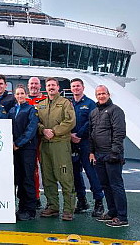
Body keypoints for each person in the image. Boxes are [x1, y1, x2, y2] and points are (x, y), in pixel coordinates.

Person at [37, 77, 76, 221]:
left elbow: (70, 121)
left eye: (53, 85)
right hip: (45, 145)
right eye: (48, 85)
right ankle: (52, 206)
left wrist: (54, 131)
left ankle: (68, 209)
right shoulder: (40, 105)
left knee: (65, 176)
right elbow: (36, 122)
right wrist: (43, 130)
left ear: (58, 87)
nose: (51, 87)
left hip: (60, 144)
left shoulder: (65, 103)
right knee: (47, 177)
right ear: (45, 88)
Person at [89, 85, 129, 227]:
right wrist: (92, 152)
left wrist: (115, 152)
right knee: (105, 185)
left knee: (116, 185)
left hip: (112, 155)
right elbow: (92, 134)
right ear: (96, 96)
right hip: (99, 155)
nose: (101, 96)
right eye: (98, 94)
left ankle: (122, 217)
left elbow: (119, 132)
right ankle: (112, 212)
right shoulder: (94, 113)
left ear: (108, 94)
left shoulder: (116, 110)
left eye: (103, 93)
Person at [69, 78, 104, 217]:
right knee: (75, 174)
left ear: (83, 87)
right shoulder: (69, 103)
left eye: (78, 86)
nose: (76, 88)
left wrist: (79, 134)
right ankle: (82, 201)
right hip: (72, 143)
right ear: (71, 89)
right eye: (73, 86)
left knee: (91, 173)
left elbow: (92, 122)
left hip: (86, 143)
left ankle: (99, 203)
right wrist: (71, 135)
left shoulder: (90, 104)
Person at [9, 85, 39, 221]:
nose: (20, 96)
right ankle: (21, 207)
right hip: (15, 150)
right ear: (14, 95)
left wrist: (18, 143)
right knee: (19, 179)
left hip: (27, 149)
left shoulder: (31, 110)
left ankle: (30, 209)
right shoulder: (12, 110)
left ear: (26, 95)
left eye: (22, 93)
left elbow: (31, 129)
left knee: (28, 178)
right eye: (17, 94)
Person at [26, 76, 47, 208]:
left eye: (36, 84)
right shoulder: (24, 100)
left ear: (40, 86)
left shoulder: (46, 100)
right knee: (32, 170)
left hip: (44, 138)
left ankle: (51, 199)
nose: (33, 86)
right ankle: (36, 196)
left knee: (47, 169)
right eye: (31, 84)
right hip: (29, 140)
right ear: (28, 86)